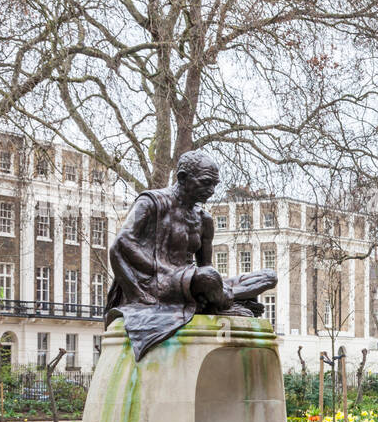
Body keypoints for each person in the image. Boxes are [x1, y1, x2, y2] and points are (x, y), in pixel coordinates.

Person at [106, 150, 277, 360]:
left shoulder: (204, 219)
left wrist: (205, 285)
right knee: (210, 278)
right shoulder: (152, 202)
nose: (212, 191)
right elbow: (122, 244)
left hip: (191, 281)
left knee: (269, 277)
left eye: (215, 184)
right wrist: (161, 277)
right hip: (155, 280)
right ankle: (224, 304)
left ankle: (221, 300)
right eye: (206, 183)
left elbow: (206, 265)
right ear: (183, 178)